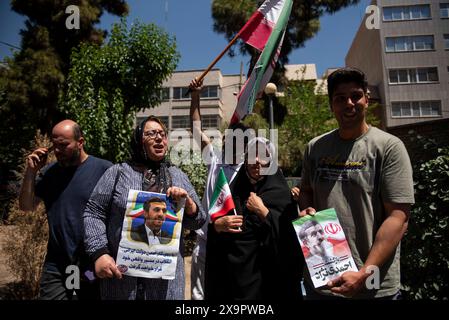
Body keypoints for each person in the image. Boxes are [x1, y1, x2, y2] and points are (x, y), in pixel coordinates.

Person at [298, 67, 414, 299]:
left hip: (373, 287)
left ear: (367, 99)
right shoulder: (315, 147)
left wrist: (363, 274)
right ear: (332, 105)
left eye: (356, 96)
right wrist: (305, 209)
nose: (349, 103)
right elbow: (306, 191)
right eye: (340, 99)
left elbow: (398, 217)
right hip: (323, 282)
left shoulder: (389, 147)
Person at [83, 115, 206, 300]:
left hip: (166, 289)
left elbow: (198, 221)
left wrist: (188, 204)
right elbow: (93, 212)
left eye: (162, 134)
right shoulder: (118, 172)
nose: (159, 138)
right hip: (122, 283)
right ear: (139, 141)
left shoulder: (178, 176)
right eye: (151, 133)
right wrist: (99, 253)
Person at [18, 119, 113, 300]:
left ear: (80, 142)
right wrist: (31, 172)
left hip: (90, 266)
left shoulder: (104, 169)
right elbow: (26, 206)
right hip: (57, 267)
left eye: (64, 145)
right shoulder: (49, 173)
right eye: (55, 146)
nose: (58, 151)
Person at [205, 137, 303, 300]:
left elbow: (291, 241)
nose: (256, 161)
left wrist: (264, 213)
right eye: (252, 155)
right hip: (237, 283)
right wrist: (217, 226)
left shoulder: (282, 195)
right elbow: (216, 234)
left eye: (263, 156)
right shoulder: (232, 191)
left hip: (273, 283)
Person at [188, 78, 253, 300]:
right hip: (206, 243)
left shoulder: (249, 171)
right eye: (229, 140)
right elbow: (196, 129)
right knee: (200, 297)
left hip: (234, 248)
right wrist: (196, 95)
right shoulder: (214, 159)